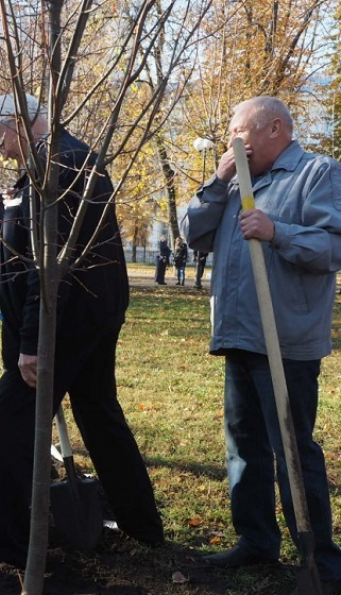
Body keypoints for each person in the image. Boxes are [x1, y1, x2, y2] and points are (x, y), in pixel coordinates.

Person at [0, 93, 163, 574]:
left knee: (4, 420)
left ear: (21, 124)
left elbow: (51, 269)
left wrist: (31, 345)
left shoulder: (58, 166)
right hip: (89, 314)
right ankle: (143, 527)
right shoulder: (59, 157)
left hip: (66, 319)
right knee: (98, 411)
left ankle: (8, 548)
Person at [182, 96, 341, 595]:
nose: (234, 138)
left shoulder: (317, 174)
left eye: (238, 129)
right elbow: (193, 234)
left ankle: (319, 556)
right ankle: (255, 539)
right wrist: (216, 183)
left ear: (275, 128)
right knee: (244, 445)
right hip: (239, 334)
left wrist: (277, 232)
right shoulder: (234, 182)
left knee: (292, 448)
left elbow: (334, 246)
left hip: (287, 340)